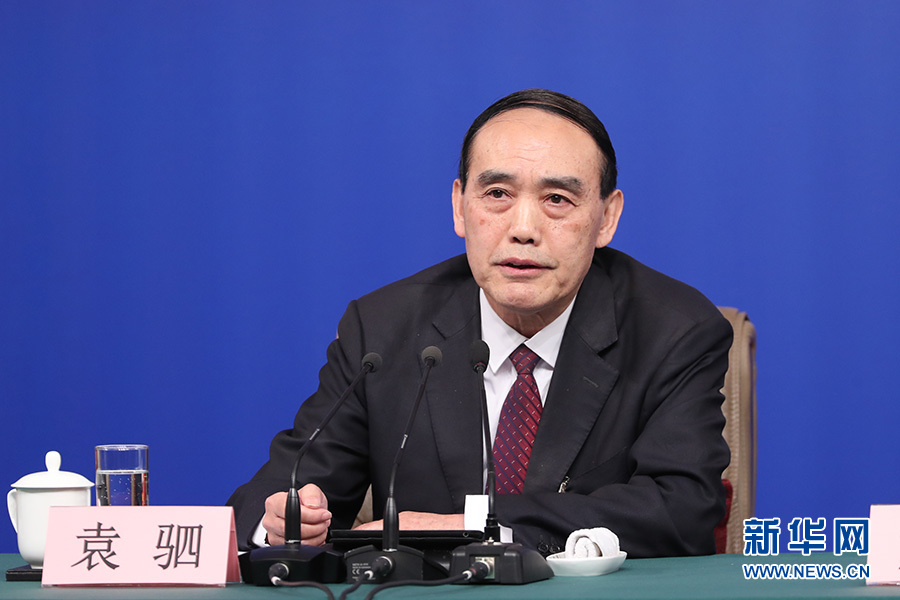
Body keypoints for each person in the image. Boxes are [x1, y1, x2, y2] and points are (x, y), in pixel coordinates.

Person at [227, 88, 732, 558]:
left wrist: (474, 526)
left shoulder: (674, 331)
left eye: (557, 199)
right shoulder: (381, 329)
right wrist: (282, 522)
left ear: (607, 218)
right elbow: (272, 495)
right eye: (497, 194)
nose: (523, 229)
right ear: (459, 207)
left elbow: (683, 510)